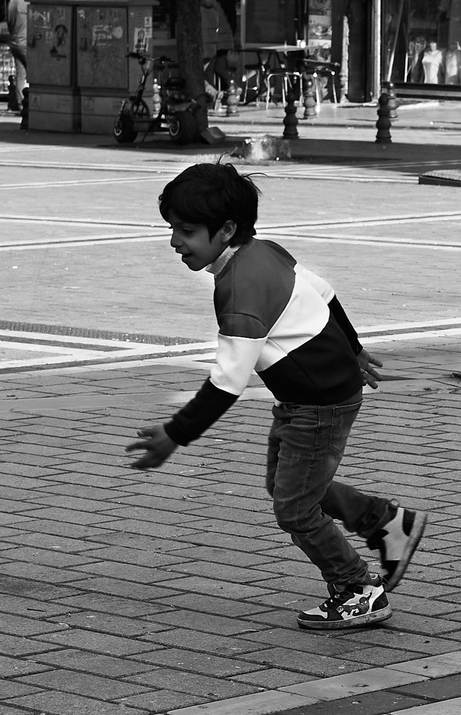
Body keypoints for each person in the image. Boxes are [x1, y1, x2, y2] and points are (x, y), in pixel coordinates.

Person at [124, 162, 425, 632]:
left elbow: (227, 381)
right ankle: (385, 523)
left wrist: (174, 436)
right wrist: (354, 346)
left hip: (319, 402)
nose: (174, 242)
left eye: (186, 231)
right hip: (314, 395)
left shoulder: (241, 287)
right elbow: (325, 294)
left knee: (294, 507)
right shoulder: (264, 251)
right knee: (292, 486)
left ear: (225, 230)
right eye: (171, 229)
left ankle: (357, 588)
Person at [2, 0, 35, 114]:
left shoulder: (11, 3)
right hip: (25, 42)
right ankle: (32, 103)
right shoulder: (27, 4)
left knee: (20, 73)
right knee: (34, 71)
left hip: (14, 41)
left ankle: (21, 102)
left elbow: (8, 22)